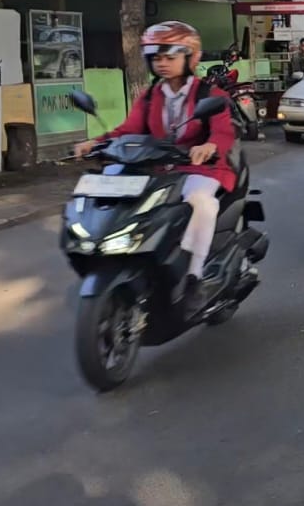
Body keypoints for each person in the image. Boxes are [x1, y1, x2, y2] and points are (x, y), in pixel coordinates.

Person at [73, 21, 237, 314]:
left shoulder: (210, 95)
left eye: (170, 57)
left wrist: (208, 147)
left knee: (201, 202)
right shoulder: (150, 96)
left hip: (200, 169)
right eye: (157, 58)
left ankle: (194, 277)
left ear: (191, 57)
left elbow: (222, 132)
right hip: (158, 168)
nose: (162, 64)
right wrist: (95, 143)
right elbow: (128, 130)